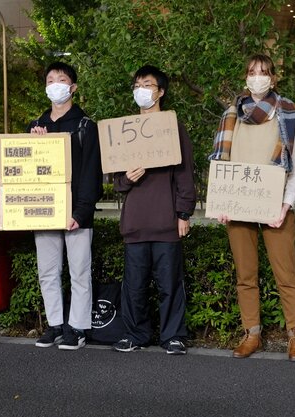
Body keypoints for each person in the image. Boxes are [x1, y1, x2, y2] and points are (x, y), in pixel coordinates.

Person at [209, 54, 295, 362]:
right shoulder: (230, 115)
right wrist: (222, 200)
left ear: (273, 78)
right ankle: (251, 333)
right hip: (238, 206)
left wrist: (285, 205)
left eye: (263, 72)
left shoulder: (287, 112)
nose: (257, 77)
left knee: (286, 274)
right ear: (245, 77)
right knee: (245, 275)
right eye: (252, 72)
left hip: (276, 206)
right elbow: (222, 163)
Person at [111, 65, 196, 355]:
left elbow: (185, 174)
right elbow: (116, 182)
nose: (141, 91)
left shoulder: (174, 128)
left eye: (146, 85)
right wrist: (127, 178)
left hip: (165, 221)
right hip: (135, 222)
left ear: (160, 91)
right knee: (134, 285)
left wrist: (183, 213)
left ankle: (173, 335)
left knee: (170, 283)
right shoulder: (124, 131)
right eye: (136, 85)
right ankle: (136, 333)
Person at [28, 62, 103, 351]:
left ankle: (78, 327)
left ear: (73, 87)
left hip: (77, 213)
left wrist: (81, 212)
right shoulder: (35, 127)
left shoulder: (86, 126)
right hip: (44, 211)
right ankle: (56, 324)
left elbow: (91, 173)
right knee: (47, 271)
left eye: (61, 79)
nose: (55, 84)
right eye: (50, 79)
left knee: (79, 272)